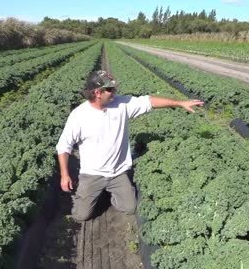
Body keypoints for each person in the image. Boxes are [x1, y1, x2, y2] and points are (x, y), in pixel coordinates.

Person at [56, 70, 204, 221]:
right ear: (97, 92)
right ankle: (94, 193)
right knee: (81, 216)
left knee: (130, 208)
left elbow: (150, 101)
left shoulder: (122, 104)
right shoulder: (79, 116)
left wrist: (179, 103)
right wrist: (64, 174)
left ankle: (109, 192)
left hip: (118, 172)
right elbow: (63, 146)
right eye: (110, 89)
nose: (115, 91)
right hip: (93, 173)